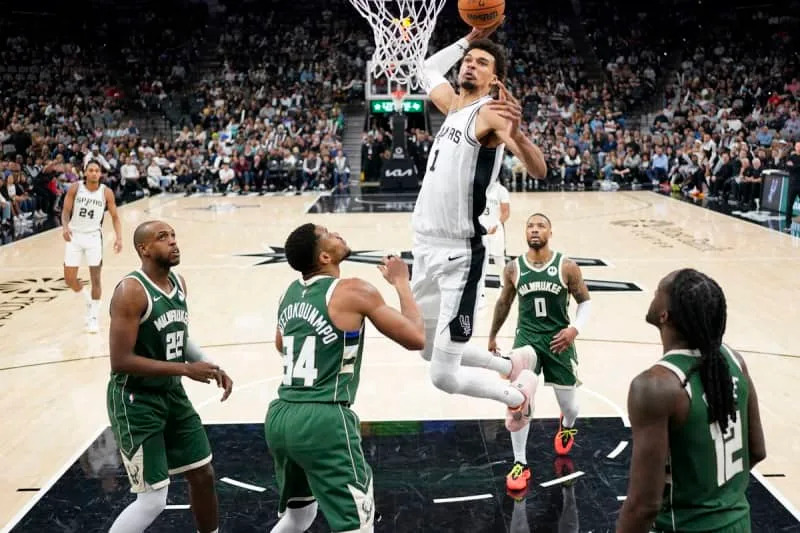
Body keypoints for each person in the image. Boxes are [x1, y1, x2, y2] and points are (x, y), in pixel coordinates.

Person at [412, 21, 547, 434]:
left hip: (459, 254)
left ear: (495, 79)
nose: (470, 65)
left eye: (481, 62)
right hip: (424, 245)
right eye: (468, 61)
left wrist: (519, 137)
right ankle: (511, 364)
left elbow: (539, 170)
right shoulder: (453, 105)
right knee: (424, 349)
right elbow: (425, 70)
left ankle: (518, 394)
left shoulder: (490, 114)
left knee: (442, 376)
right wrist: (468, 39)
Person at [266, 223, 424, 533]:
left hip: (281, 414)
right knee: (358, 526)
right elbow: (416, 337)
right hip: (324, 420)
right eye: (328, 233)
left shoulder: (289, 293)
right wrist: (402, 282)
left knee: (298, 516)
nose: (337, 233)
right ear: (324, 256)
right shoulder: (354, 290)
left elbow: (281, 344)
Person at [106, 220, 233, 533]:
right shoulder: (131, 291)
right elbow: (121, 361)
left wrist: (208, 363)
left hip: (171, 394)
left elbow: (178, 336)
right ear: (144, 249)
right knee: (153, 500)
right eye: (163, 238)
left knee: (202, 474)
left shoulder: (179, 284)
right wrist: (187, 370)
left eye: (174, 236)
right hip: (136, 400)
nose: (173, 242)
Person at [617, 268, 766, 532]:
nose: (653, 292)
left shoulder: (655, 386)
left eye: (658, 292)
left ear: (665, 315)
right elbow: (756, 451)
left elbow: (643, 506)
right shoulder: (733, 361)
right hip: (739, 523)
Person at [488, 213, 592, 492]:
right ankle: (520, 461)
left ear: (550, 231)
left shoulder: (567, 267)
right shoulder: (513, 268)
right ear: (525, 232)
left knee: (569, 405)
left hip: (560, 342)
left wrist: (574, 330)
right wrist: (492, 335)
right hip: (527, 342)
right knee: (518, 401)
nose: (535, 230)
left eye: (541, 225)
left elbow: (585, 302)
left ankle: (567, 424)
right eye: (530, 226)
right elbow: (503, 302)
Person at [61, 160, 123, 332]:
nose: (94, 173)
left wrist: (119, 238)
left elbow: (115, 217)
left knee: (96, 278)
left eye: (97, 170)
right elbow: (65, 211)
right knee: (69, 279)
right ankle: (88, 300)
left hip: (94, 237)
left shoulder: (106, 192)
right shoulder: (75, 188)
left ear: (100, 173)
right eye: (91, 170)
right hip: (74, 236)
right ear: (85, 172)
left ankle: (94, 316)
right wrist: (65, 227)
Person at [478, 179, 511, 307]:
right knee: (481, 261)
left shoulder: (501, 190)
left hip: (496, 230)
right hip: (482, 230)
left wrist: (496, 225)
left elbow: (506, 212)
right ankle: (481, 292)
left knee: (499, 260)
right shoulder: (479, 187)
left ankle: (503, 286)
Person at [783, 141, 800, 232]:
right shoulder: (791, 157)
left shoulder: (792, 159)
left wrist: (794, 167)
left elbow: (793, 168)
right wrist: (796, 167)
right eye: (798, 146)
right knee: (789, 205)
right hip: (793, 184)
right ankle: (788, 225)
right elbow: (788, 168)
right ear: (795, 147)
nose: (799, 147)